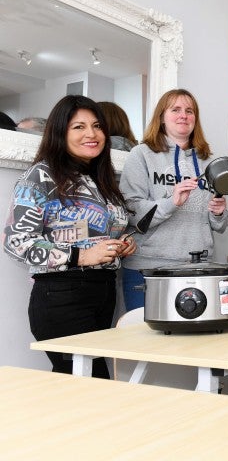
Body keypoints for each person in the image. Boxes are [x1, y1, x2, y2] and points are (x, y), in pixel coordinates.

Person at [2, 95, 136, 378]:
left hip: (102, 290)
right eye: (79, 127)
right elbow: (16, 241)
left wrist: (120, 244)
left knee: (90, 385)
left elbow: (95, 232)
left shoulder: (101, 179)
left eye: (97, 125)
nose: (92, 133)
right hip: (62, 296)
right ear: (60, 132)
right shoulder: (42, 176)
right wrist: (82, 255)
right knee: (91, 384)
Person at [119, 89, 228, 311]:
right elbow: (131, 212)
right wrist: (172, 202)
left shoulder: (209, 162)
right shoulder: (141, 154)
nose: (183, 115)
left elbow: (218, 225)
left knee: (190, 342)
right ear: (161, 117)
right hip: (148, 268)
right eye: (175, 109)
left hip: (199, 267)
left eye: (190, 111)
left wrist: (218, 212)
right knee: (143, 341)